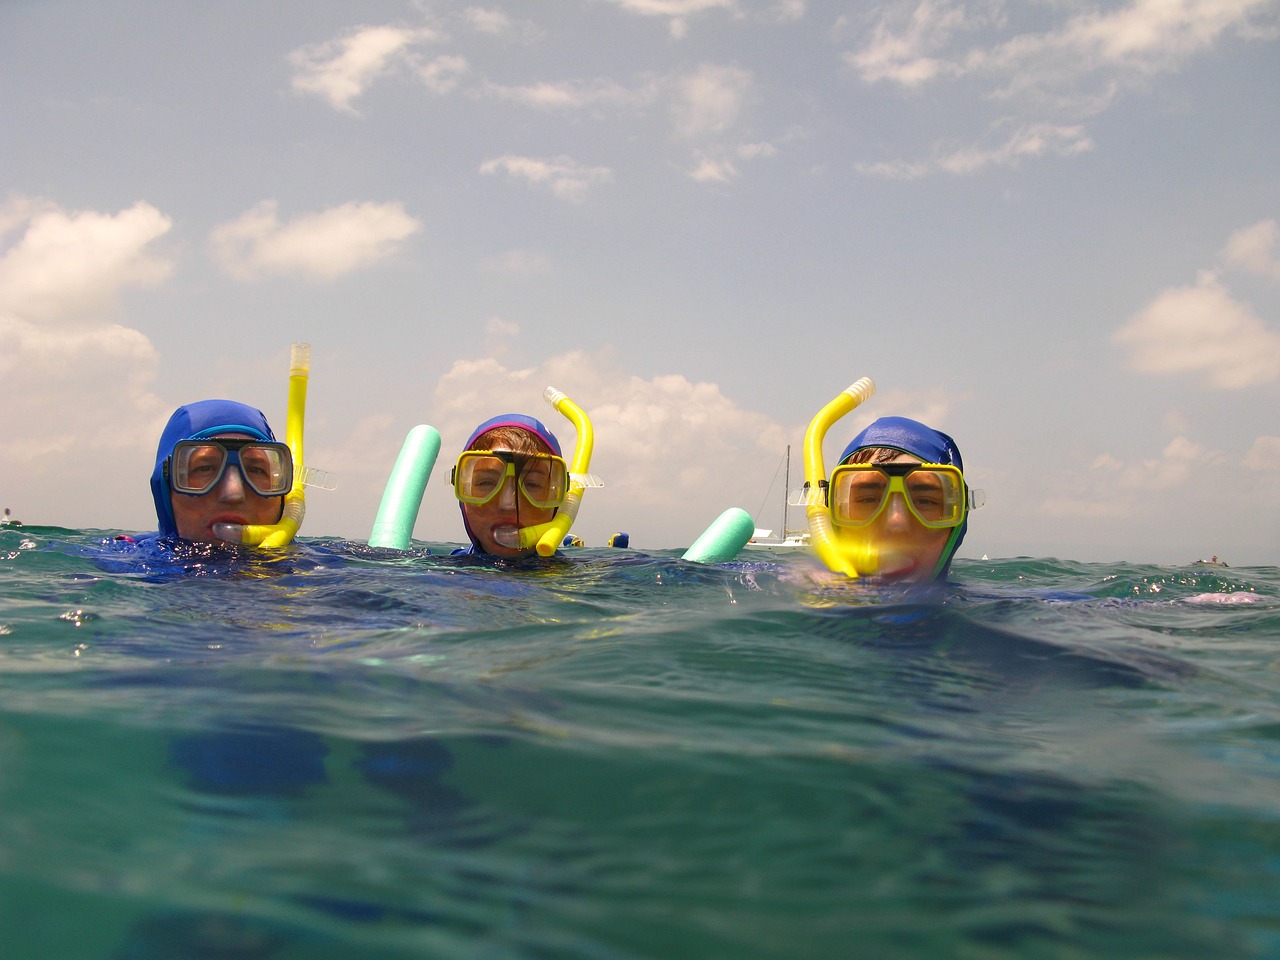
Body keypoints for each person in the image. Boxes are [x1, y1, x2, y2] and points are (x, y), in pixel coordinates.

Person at [829, 416, 978, 581]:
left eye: (925, 501)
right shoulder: (806, 593)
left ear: (958, 526)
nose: (896, 522)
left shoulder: (998, 605)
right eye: (868, 500)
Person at [149, 400, 294, 542]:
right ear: (165, 488)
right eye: (204, 468)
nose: (233, 494)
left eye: (256, 470)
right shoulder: (131, 554)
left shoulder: (310, 563)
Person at [449, 413, 570, 558]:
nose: (509, 504)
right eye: (486, 483)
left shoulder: (578, 577)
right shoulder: (439, 572)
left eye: (532, 484)